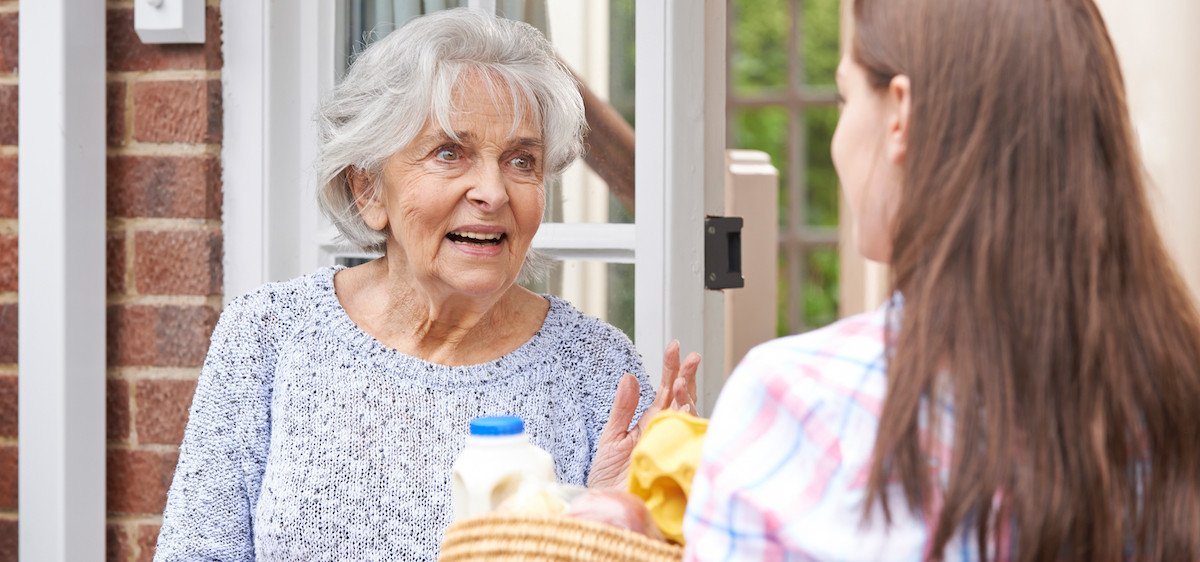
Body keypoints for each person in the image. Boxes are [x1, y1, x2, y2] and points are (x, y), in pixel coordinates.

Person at [154, 8, 699, 561]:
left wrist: (616, 528)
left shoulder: (598, 367)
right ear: (368, 190)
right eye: (448, 153)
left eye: (520, 160)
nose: (492, 191)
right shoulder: (268, 336)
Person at [684, 0, 1200, 560]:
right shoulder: (1175, 396)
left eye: (845, 97)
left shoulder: (797, 410)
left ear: (899, 113)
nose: (837, 140)